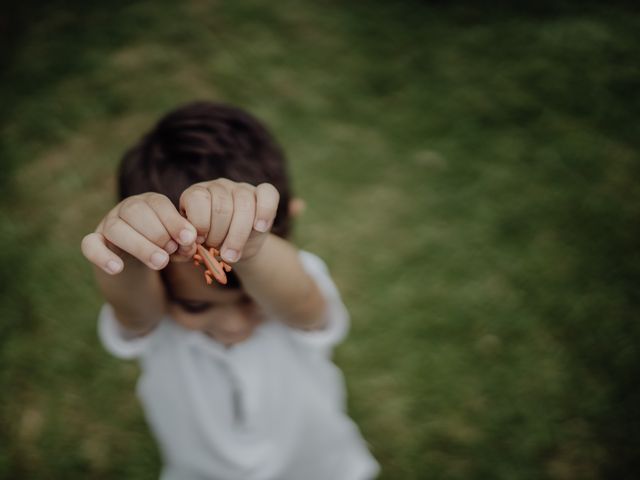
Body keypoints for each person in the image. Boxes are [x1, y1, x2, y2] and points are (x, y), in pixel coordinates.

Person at [80, 101, 380, 480]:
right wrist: (130, 257)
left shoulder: (295, 278)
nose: (235, 326)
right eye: (195, 306)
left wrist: (251, 248)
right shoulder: (153, 305)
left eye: (255, 303)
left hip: (319, 467)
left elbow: (304, 306)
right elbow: (136, 311)